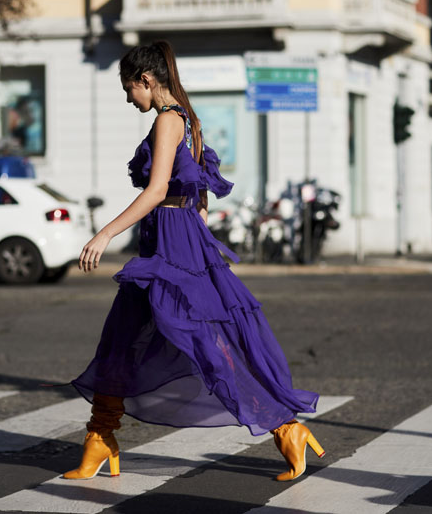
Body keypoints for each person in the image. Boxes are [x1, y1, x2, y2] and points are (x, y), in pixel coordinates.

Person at [67, 40, 323, 482]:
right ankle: (99, 439)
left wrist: (105, 233)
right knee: (125, 341)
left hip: (171, 245)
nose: (130, 98)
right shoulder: (190, 120)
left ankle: (285, 427)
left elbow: (155, 190)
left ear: (146, 80)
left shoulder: (169, 120)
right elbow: (200, 196)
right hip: (177, 240)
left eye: (130, 88)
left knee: (205, 346)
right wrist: (194, 238)